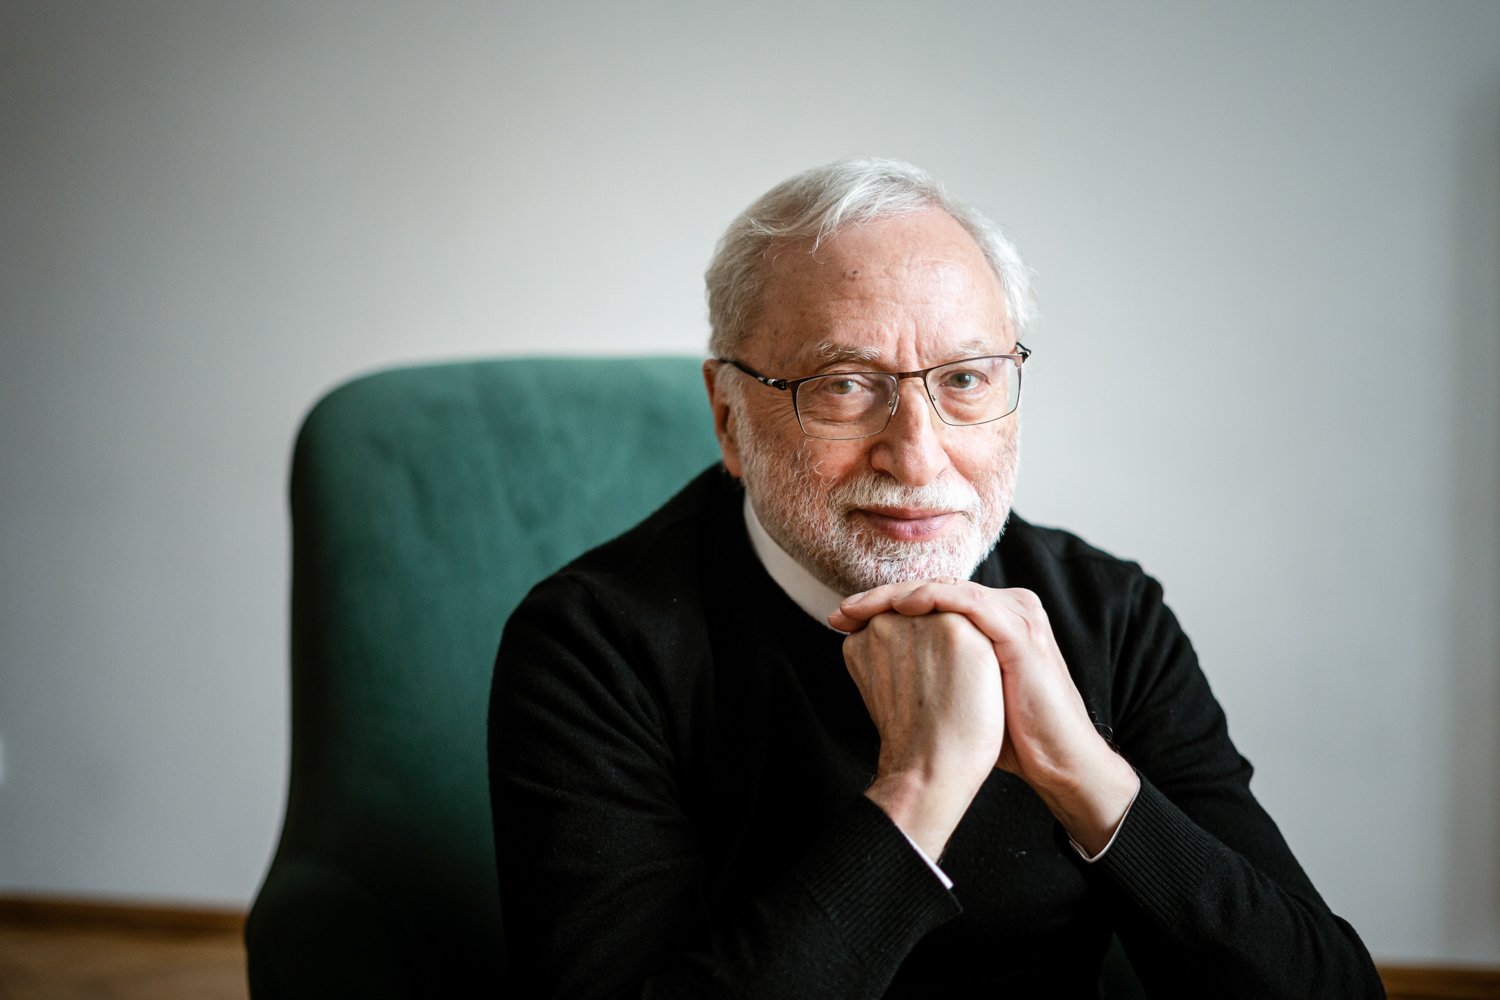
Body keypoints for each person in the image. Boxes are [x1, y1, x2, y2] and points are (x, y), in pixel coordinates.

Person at [488, 157, 1384, 999]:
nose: (918, 457)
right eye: (844, 385)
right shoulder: (592, 645)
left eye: (963, 378)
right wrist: (920, 789)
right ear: (729, 416)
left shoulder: (1109, 615)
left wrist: (1086, 776)